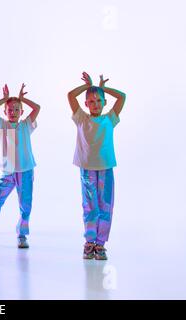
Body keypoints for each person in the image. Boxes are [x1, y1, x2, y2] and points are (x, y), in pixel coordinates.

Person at [67, 72, 126, 260]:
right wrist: (89, 86)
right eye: (91, 101)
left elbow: (122, 97)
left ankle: (100, 244)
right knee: (89, 206)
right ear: (86, 104)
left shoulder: (109, 119)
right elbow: (70, 96)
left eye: (99, 100)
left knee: (105, 205)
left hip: (106, 168)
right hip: (87, 169)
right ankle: (90, 242)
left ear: (104, 102)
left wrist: (102, 88)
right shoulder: (81, 119)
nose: (95, 104)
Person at [0, 84, 40, 248]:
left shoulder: (26, 125)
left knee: (25, 205)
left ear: (21, 112)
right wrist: (4, 99)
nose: (13, 112)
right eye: (9, 109)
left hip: (25, 170)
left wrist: (22, 99)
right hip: (7, 172)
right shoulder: (1, 125)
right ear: (5, 112)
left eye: (16, 109)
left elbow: (37, 108)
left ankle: (22, 235)